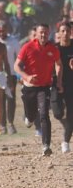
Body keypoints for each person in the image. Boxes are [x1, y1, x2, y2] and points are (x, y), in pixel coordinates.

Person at [14, 23, 63, 156]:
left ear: (49, 34)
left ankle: (46, 145)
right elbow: (16, 66)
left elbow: (59, 64)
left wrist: (58, 81)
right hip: (29, 87)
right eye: (41, 32)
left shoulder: (53, 49)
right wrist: (27, 77)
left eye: (46, 33)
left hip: (45, 86)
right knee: (31, 115)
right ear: (36, 33)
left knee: (44, 114)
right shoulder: (28, 47)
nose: (43, 35)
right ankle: (29, 118)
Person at [0, 23, 21, 134]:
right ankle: (2, 125)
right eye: (0, 30)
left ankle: (11, 123)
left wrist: (18, 74)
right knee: (0, 100)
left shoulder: (13, 41)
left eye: (3, 30)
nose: (2, 33)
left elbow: (19, 57)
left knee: (11, 99)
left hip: (11, 75)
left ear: (7, 29)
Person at [55, 23, 73, 153]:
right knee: (58, 113)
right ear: (59, 33)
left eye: (68, 31)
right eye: (63, 31)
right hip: (57, 84)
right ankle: (68, 125)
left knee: (72, 114)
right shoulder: (54, 48)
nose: (66, 33)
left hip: (72, 84)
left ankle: (66, 141)